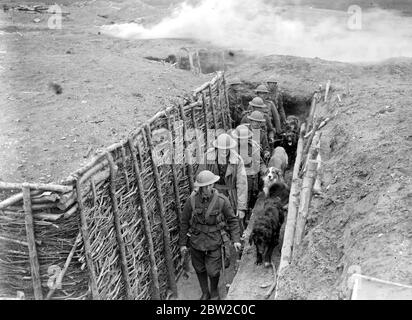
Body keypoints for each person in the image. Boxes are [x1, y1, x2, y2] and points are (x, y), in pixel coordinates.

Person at [179, 170, 242, 300]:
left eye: (210, 185)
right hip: (196, 241)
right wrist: (182, 244)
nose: (208, 188)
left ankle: (214, 291)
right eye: (205, 186)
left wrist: (236, 239)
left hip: (215, 241)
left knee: (213, 271)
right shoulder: (191, 200)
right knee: (199, 268)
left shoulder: (221, 200)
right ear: (201, 188)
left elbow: (232, 220)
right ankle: (205, 293)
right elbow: (184, 221)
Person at [199, 133, 248, 223]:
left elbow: (242, 184)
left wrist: (241, 207)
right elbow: (200, 178)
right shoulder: (207, 157)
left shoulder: (237, 160)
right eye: (222, 149)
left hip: (231, 194)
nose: (224, 151)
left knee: (234, 222)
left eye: (227, 149)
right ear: (217, 148)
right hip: (212, 192)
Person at [231, 125, 268, 225]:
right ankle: (239, 225)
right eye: (241, 139)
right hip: (238, 184)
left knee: (251, 202)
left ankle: (247, 221)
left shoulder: (253, 148)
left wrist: (264, 169)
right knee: (239, 205)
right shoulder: (232, 150)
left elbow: (260, 162)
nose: (243, 141)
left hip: (252, 182)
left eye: (245, 138)